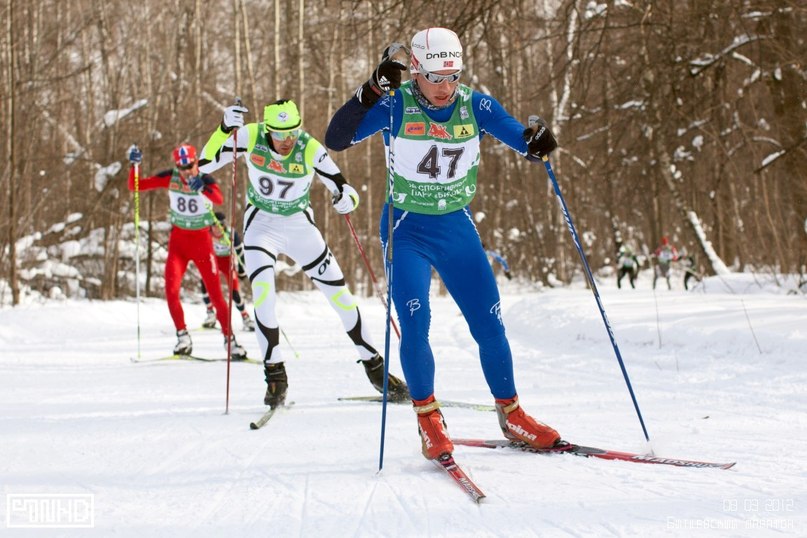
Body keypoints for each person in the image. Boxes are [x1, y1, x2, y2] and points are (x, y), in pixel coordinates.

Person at [325, 28, 561, 461]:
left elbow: (517, 137)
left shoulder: (475, 104)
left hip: (456, 226)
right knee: (415, 324)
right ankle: (429, 419)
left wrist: (536, 144)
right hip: (407, 228)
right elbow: (336, 139)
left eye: (453, 76)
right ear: (415, 70)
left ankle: (511, 413)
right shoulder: (395, 105)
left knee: (489, 324)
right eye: (436, 77)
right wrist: (370, 91)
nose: (446, 87)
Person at [198, 99, 409, 408]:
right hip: (261, 227)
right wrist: (224, 129)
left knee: (341, 298)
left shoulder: (309, 148)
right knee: (264, 296)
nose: (286, 141)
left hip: (299, 227)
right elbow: (205, 164)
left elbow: (343, 187)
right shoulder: (250, 136)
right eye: (279, 134)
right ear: (268, 129)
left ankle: (375, 369)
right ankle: (276, 377)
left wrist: (348, 199)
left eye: (292, 132)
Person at [126, 143, 248, 360]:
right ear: (177, 166)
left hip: (202, 241)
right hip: (178, 242)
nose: (187, 171)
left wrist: (202, 187)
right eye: (182, 167)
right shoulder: (171, 178)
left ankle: (230, 340)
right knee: (171, 291)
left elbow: (218, 199)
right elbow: (136, 186)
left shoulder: (204, 177)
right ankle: (183, 336)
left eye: (190, 165)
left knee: (216, 294)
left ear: (195, 162)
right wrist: (134, 166)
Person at [200, 212, 256, 332]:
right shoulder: (207, 232)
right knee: (204, 283)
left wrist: (241, 270)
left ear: (224, 224)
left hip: (227, 261)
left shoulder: (230, 233)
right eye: (214, 225)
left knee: (234, 291)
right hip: (213, 259)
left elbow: (240, 252)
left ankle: (245, 318)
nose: (217, 228)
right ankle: (210, 314)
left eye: (220, 225)